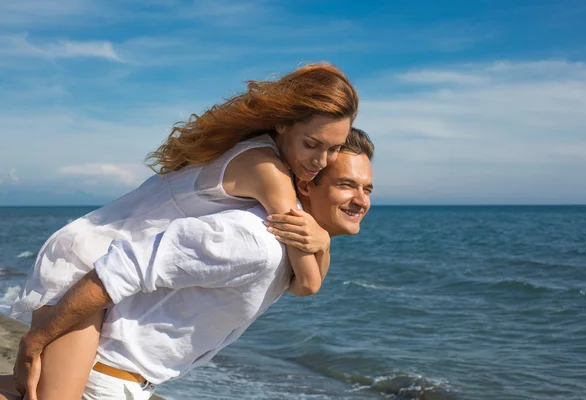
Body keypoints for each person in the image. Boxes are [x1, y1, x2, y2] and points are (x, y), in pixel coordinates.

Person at [7, 63, 359, 400]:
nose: (321, 161)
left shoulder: (260, 154)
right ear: (283, 125)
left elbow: (298, 280)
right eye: (312, 144)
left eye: (335, 148)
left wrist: (321, 241)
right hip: (84, 262)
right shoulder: (269, 172)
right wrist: (322, 241)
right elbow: (308, 283)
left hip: (107, 265)